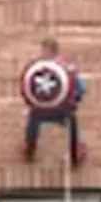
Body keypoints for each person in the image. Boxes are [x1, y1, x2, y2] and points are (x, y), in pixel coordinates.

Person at [21, 38, 88, 167]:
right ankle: (30, 146)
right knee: (33, 120)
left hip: (61, 107)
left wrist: (75, 98)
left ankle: (76, 150)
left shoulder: (65, 69)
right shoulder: (39, 68)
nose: (43, 53)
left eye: (45, 50)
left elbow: (79, 86)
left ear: (52, 51)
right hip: (44, 107)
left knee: (72, 121)